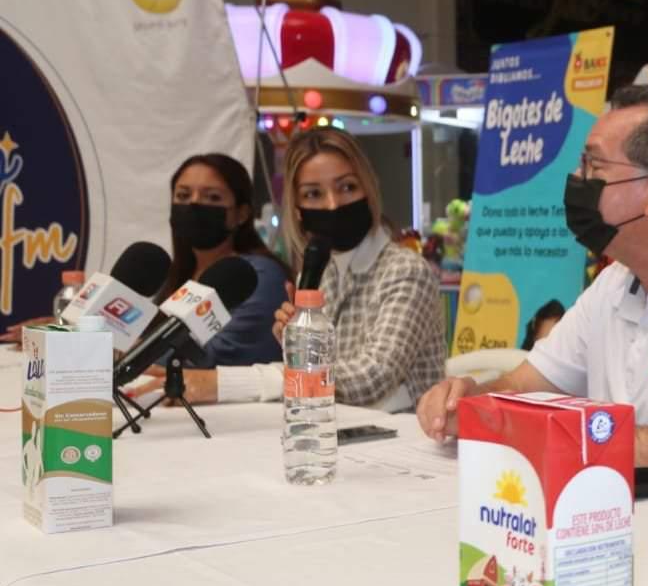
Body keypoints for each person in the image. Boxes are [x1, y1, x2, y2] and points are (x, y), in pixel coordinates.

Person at [417, 85, 648, 486]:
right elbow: (522, 386)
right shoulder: (615, 282)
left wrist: (591, 440)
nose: (576, 178)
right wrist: (469, 400)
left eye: (594, 165)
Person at [131, 128, 446, 411]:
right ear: (297, 209)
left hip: (402, 441)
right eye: (313, 194)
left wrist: (223, 383)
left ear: (370, 189)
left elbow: (371, 378)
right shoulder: (320, 272)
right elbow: (318, 376)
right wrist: (296, 343)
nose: (333, 204)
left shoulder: (404, 270)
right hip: (334, 433)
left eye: (347, 187)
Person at [157, 153, 288, 366]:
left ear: (241, 214)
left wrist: (137, 355)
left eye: (213, 197)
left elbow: (217, 356)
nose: (194, 203)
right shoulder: (177, 276)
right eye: (183, 195)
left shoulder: (257, 275)